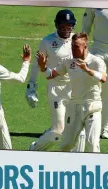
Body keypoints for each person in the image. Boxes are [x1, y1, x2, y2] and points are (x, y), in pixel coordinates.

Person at [26, 9, 85, 153]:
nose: (66, 29)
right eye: (63, 26)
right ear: (56, 25)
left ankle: (77, 160)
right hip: (56, 88)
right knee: (59, 129)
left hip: (74, 89)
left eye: (69, 26)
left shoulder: (77, 41)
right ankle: (35, 149)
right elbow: (36, 65)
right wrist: (31, 88)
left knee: (80, 130)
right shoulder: (47, 42)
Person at [36, 32, 106, 152]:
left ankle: (94, 169)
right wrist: (43, 67)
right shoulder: (68, 61)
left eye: (76, 47)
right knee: (66, 145)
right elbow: (51, 75)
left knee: (93, 145)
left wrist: (87, 70)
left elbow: (103, 78)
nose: (73, 49)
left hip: (92, 106)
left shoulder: (96, 61)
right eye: (72, 46)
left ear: (85, 46)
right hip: (74, 107)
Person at [81, 7, 108, 140]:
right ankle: (87, 124)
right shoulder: (94, 5)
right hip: (97, 51)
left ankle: (106, 128)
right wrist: (81, 48)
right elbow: (85, 27)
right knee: (91, 88)